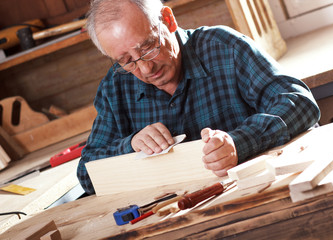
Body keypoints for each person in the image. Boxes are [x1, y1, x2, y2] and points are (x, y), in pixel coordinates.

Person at [77, 0, 320, 195]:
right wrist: (130, 146)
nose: (146, 69)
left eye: (148, 47)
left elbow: (300, 103)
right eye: (127, 61)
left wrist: (239, 142)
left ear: (168, 20)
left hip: (259, 192)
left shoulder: (225, 47)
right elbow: (87, 174)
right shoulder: (115, 85)